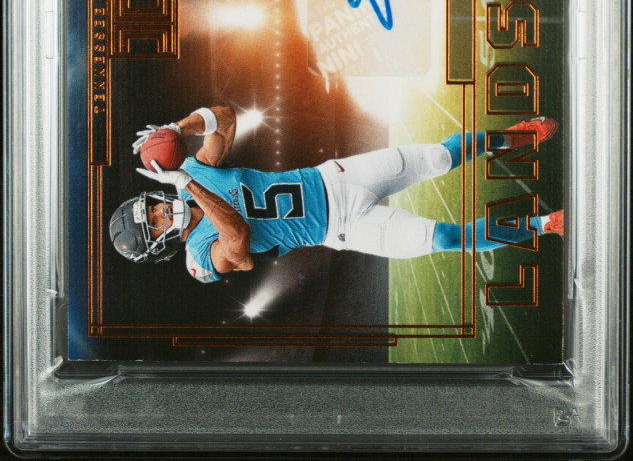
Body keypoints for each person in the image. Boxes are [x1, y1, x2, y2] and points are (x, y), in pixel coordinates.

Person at [109, 106, 563, 282]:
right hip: (344, 227)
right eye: (154, 225)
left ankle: (520, 136)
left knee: (440, 157)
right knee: (444, 238)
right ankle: (545, 224)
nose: (160, 212)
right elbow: (238, 239)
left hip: (336, 178)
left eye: (151, 209)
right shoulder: (199, 257)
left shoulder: (195, 169)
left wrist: (177, 128)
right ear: (159, 245)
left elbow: (225, 117)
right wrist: (187, 185)